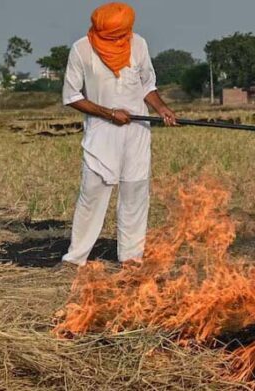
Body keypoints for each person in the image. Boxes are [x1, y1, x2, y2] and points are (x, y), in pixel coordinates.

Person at [60, 2, 176, 268]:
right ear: (100, 29)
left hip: (136, 132)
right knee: (93, 193)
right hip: (102, 134)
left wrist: (161, 107)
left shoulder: (138, 44)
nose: (119, 39)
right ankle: (75, 259)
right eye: (113, 34)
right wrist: (109, 113)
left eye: (123, 33)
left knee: (135, 193)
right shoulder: (82, 49)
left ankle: (131, 258)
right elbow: (72, 96)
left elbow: (147, 83)